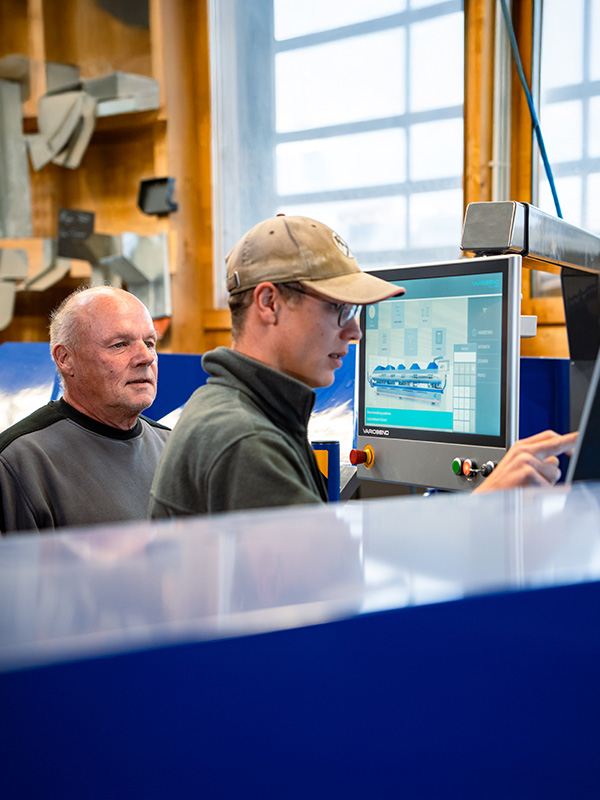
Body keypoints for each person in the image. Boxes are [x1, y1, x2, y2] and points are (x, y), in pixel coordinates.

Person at [149, 214, 577, 519]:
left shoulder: (242, 409)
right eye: (337, 309)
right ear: (269, 303)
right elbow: (334, 606)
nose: (354, 333)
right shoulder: (246, 441)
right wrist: (483, 506)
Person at [0, 286, 170, 533]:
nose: (146, 357)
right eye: (120, 344)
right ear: (65, 358)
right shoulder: (18, 463)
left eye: (150, 342)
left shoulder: (173, 448)